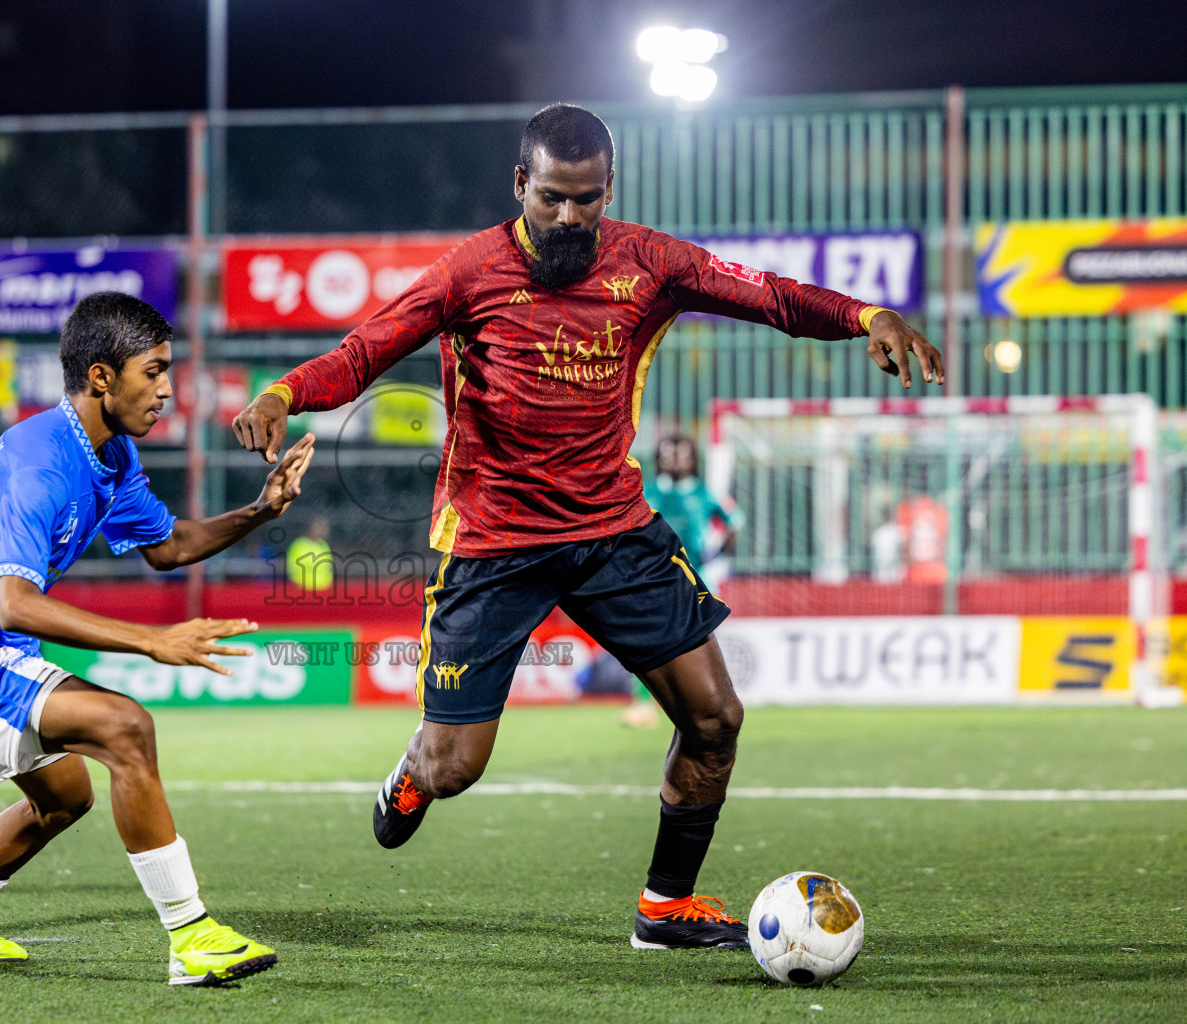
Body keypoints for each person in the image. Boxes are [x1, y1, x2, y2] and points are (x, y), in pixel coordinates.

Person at [233, 103, 942, 953]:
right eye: (554, 199)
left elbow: (773, 296)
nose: (571, 216)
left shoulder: (649, 262)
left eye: (589, 199)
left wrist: (869, 318)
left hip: (613, 530)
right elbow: (363, 351)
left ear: (611, 188)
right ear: (520, 184)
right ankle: (415, 772)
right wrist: (283, 393)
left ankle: (664, 907)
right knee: (456, 769)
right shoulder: (470, 272)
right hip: (494, 543)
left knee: (715, 719)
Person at [0, 292, 315, 987]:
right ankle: (192, 937)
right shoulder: (43, 463)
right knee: (125, 728)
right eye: (154, 371)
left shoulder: (108, 456)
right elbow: (17, 604)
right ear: (101, 378)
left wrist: (262, 509)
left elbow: (169, 546)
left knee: (64, 798)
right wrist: (153, 641)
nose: (167, 388)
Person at [622, 435, 745, 727]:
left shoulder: (706, 493)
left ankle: (700, 702)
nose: (674, 459)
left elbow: (735, 521)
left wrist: (716, 554)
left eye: (681, 453)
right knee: (644, 640)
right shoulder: (645, 490)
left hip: (696, 578)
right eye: (667, 453)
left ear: (693, 459)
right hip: (651, 579)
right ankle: (642, 704)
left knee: (697, 642)